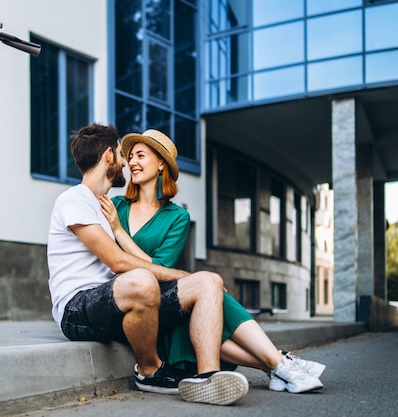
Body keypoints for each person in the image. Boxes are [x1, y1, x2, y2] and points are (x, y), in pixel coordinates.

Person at [99, 128, 325, 394]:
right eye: (130, 156)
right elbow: (118, 261)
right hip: (141, 305)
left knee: (212, 294)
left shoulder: (177, 217)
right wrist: (116, 227)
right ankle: (279, 363)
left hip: (168, 297)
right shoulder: (117, 206)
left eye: (140, 155)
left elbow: (160, 267)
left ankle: (279, 367)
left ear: (161, 164)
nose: (132, 163)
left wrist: (119, 232)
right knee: (212, 291)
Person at [47, 123, 249, 406]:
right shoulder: (74, 199)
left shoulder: (108, 206)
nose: (126, 162)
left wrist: (189, 278)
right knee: (141, 281)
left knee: (207, 281)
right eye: (121, 154)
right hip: (78, 310)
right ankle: (149, 370)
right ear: (108, 156)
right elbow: (118, 262)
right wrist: (178, 274)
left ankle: (208, 377)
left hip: (119, 300)